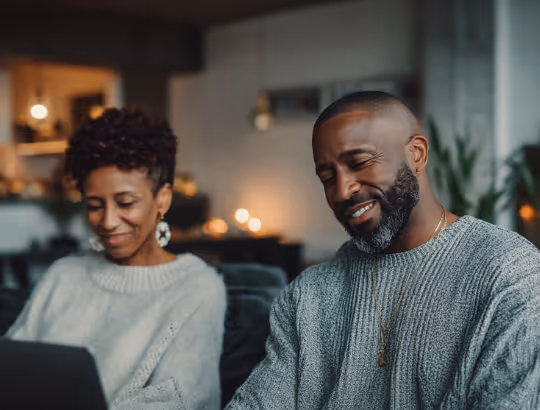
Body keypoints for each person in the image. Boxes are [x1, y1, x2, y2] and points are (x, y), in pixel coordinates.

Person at [226, 91, 540, 409]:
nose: (342, 189)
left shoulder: (510, 276)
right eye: (327, 177)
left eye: (359, 162)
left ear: (416, 154)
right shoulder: (306, 296)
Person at [7, 107, 226, 410]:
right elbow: (12, 367)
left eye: (125, 202)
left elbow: (182, 399)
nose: (108, 221)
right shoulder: (63, 274)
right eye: (95, 205)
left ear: (162, 199)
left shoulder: (197, 288)